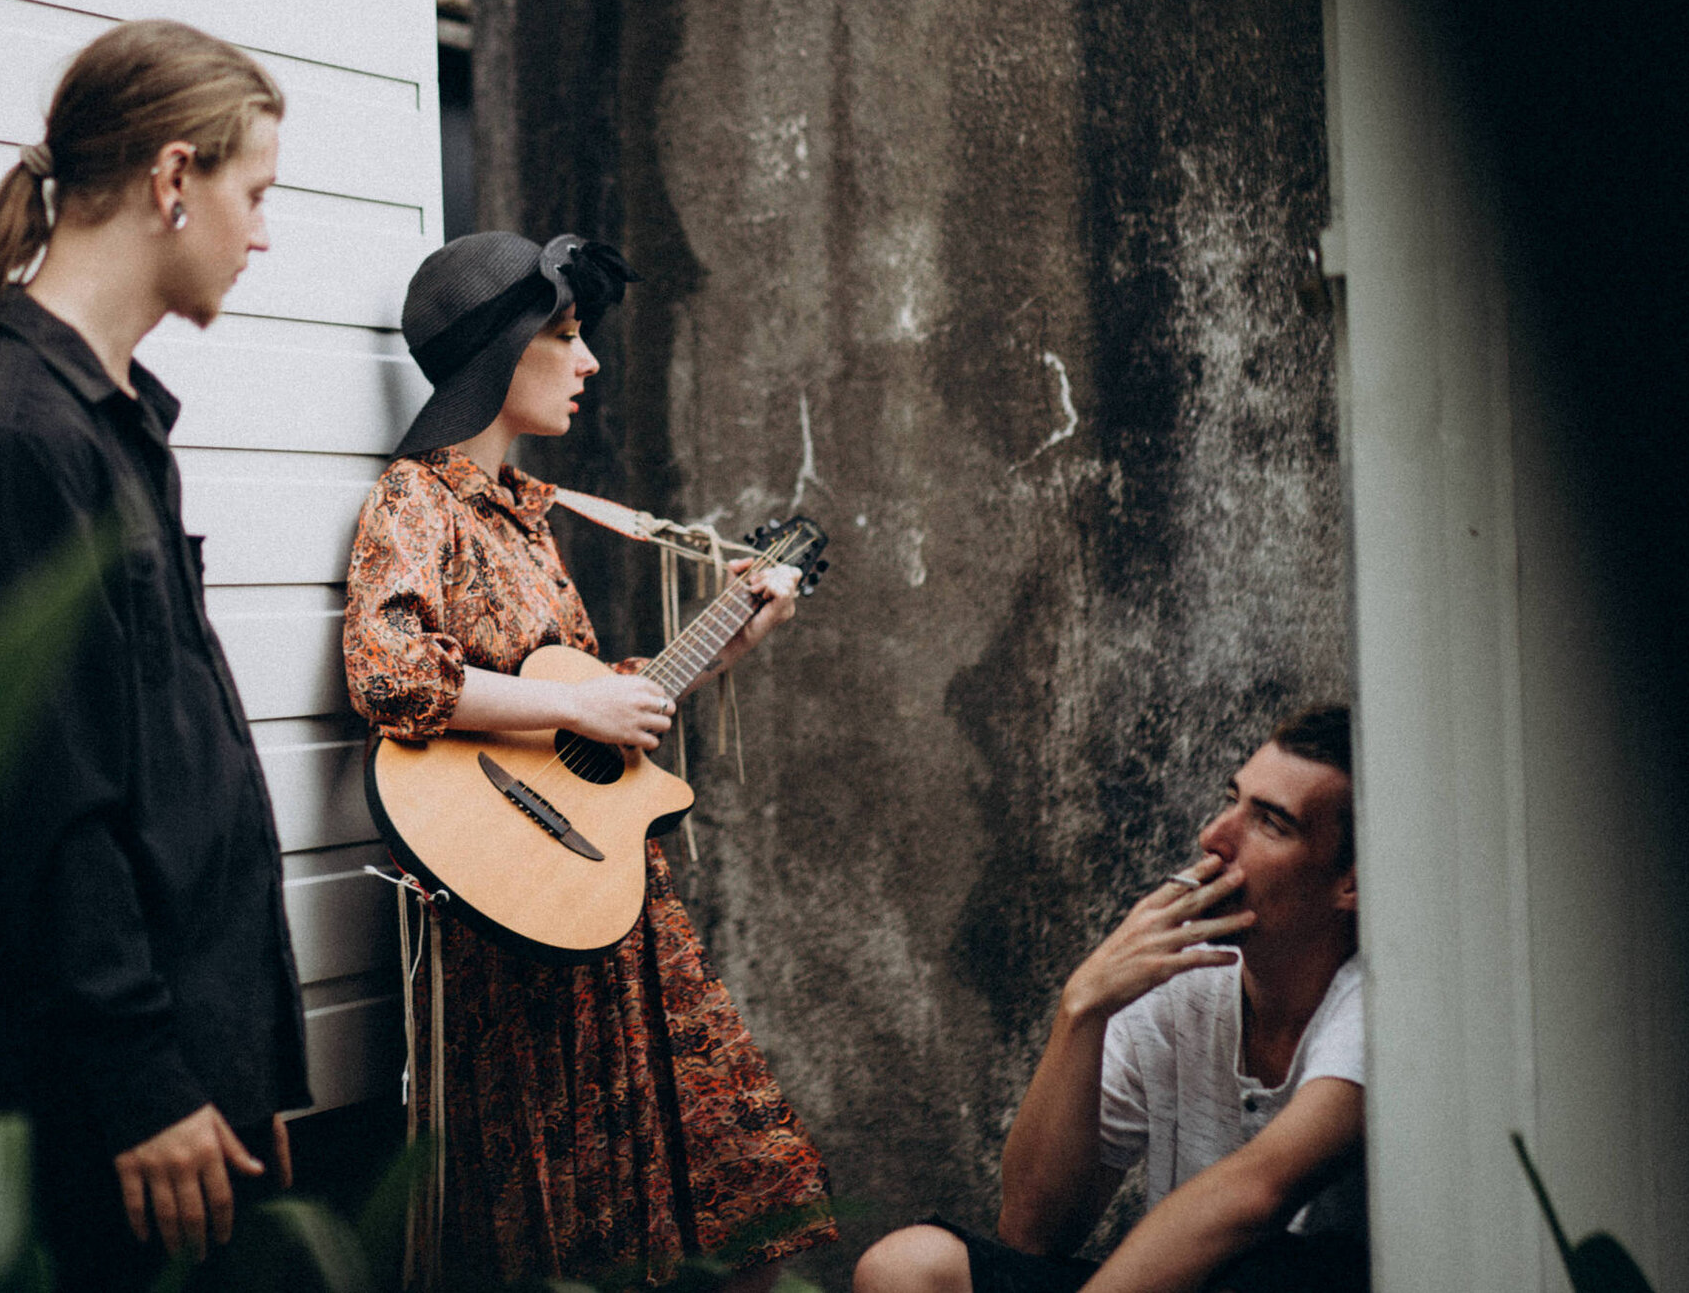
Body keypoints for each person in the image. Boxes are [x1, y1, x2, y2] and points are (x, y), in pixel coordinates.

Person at [342, 230, 840, 1289]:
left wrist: (730, 636)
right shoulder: (414, 500)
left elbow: (580, 713)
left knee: (716, 1198)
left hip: (605, 896)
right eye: (565, 336)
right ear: (500, 352)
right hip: (513, 917)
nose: (590, 361)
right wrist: (584, 701)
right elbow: (389, 671)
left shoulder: (526, 518)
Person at [0, 20, 307, 1291]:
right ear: (172, 178)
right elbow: (41, 793)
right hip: (117, 1101)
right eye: (255, 194)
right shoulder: (16, 434)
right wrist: (142, 1076)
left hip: (191, 1068)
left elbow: (168, 755)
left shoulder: (104, 420)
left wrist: (251, 1065)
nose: (262, 233)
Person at [857, 705, 1367, 1293]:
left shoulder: (1373, 1003)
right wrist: (1082, 1009)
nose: (1215, 837)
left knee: (1274, 1270)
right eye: (1232, 800)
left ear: (1351, 879)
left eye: (1271, 823)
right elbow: (1033, 1231)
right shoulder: (1184, 977)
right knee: (907, 1268)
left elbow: (1254, 1194)